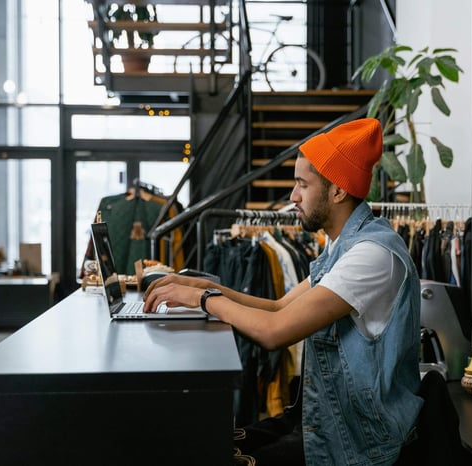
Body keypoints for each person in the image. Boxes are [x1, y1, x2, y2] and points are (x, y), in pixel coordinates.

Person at [143, 118, 423, 466]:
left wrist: (201, 300)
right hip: (327, 421)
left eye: (302, 185)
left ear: (337, 191)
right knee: (211, 442)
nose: (293, 197)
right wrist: (201, 285)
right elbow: (278, 307)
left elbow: (275, 332)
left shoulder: (372, 255)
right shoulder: (341, 247)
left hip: (358, 439)